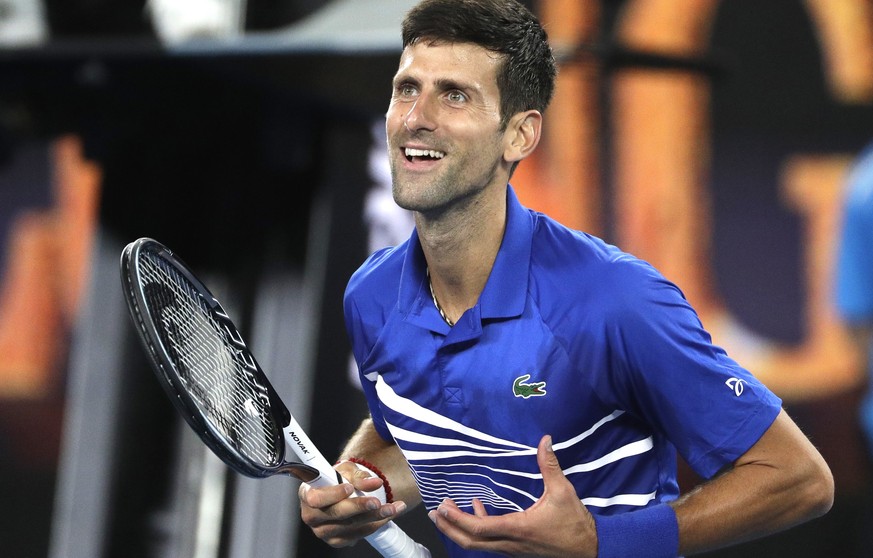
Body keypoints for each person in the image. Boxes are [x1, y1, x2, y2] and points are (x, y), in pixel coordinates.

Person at [299, 1, 834, 556]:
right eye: (407, 88)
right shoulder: (372, 296)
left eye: (455, 95)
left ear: (520, 137)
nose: (416, 117)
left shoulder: (613, 302)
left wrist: (601, 543)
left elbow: (798, 476)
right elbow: (417, 433)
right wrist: (366, 486)